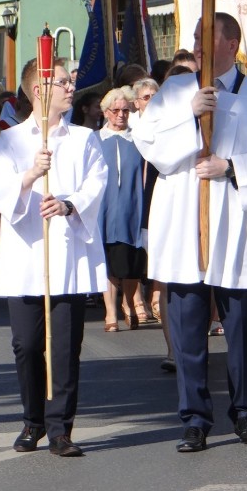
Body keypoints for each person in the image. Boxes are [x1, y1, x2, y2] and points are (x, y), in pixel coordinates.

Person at [131, 12, 247, 453]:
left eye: (207, 41)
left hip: (238, 220)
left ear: (232, 44)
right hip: (188, 219)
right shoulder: (175, 91)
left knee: (241, 324)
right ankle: (194, 418)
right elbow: (147, 144)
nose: (198, 48)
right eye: (195, 41)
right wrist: (189, 117)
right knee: (187, 325)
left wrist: (233, 167)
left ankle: (244, 412)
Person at [0, 58, 107, 458]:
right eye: (62, 82)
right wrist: (29, 176)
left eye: (71, 81)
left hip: (66, 253)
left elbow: (97, 181)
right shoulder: (13, 139)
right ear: (38, 90)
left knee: (64, 346)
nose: (72, 87)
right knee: (26, 343)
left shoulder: (84, 139)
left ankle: (60, 428)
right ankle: (32, 420)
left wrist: (70, 204)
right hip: (26, 254)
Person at [98, 86, 153, 331]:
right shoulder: (95, 140)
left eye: (125, 110)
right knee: (108, 260)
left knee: (132, 260)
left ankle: (129, 303)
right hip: (106, 209)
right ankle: (110, 311)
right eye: (116, 110)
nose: (121, 115)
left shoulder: (138, 139)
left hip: (133, 206)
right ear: (106, 112)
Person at [132, 76, 176, 371]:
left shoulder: (172, 126)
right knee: (165, 282)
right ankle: (174, 349)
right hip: (148, 209)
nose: (150, 102)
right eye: (145, 97)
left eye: (154, 96)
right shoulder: (135, 129)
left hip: (176, 206)